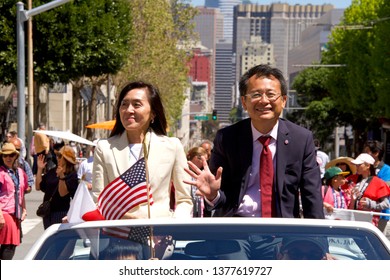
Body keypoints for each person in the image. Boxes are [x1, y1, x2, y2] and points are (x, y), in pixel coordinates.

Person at [184, 64, 324, 219]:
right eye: (256, 95)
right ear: (244, 102)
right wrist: (212, 195)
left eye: (271, 94)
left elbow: (312, 197)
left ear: (283, 100)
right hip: (238, 230)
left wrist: (317, 240)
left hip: (284, 231)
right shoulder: (227, 138)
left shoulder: (301, 139)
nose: (264, 101)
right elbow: (221, 201)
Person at [92, 81, 192, 219]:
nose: (129, 110)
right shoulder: (104, 148)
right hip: (117, 235)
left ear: (153, 113)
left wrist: (172, 227)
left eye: (136, 104)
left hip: (160, 234)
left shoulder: (172, 146)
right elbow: (98, 200)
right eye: (124, 104)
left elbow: (184, 200)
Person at [35, 145, 79, 229]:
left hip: (61, 213)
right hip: (48, 214)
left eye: (60, 156)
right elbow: (38, 187)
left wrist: (61, 176)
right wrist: (40, 169)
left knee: (59, 240)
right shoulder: (52, 171)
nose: (57, 158)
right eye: (57, 155)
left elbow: (62, 194)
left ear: (66, 160)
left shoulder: (72, 175)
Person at [0, 143, 28, 259]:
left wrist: (24, 209)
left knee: (11, 246)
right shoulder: (1, 172)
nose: (8, 158)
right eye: (5, 155)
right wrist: (0, 215)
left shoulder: (21, 173)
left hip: (16, 214)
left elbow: (22, 192)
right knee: (9, 247)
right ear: (2, 157)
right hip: (4, 212)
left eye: (11, 155)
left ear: (15, 156)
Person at [349, 153, 390, 227]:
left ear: (368, 166)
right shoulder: (352, 179)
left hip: (369, 223)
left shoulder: (378, 182)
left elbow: (386, 204)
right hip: (352, 219)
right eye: (356, 165)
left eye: (359, 165)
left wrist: (370, 204)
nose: (356, 167)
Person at [363, 140, 390, 232]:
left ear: (376, 153)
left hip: (381, 213)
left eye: (367, 152)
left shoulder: (387, 170)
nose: (364, 154)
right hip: (364, 212)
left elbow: (385, 189)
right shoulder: (364, 169)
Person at [187, 146, 207, 217]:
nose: (203, 162)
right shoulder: (182, 170)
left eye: (206, 160)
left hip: (199, 208)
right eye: (201, 159)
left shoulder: (204, 173)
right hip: (186, 208)